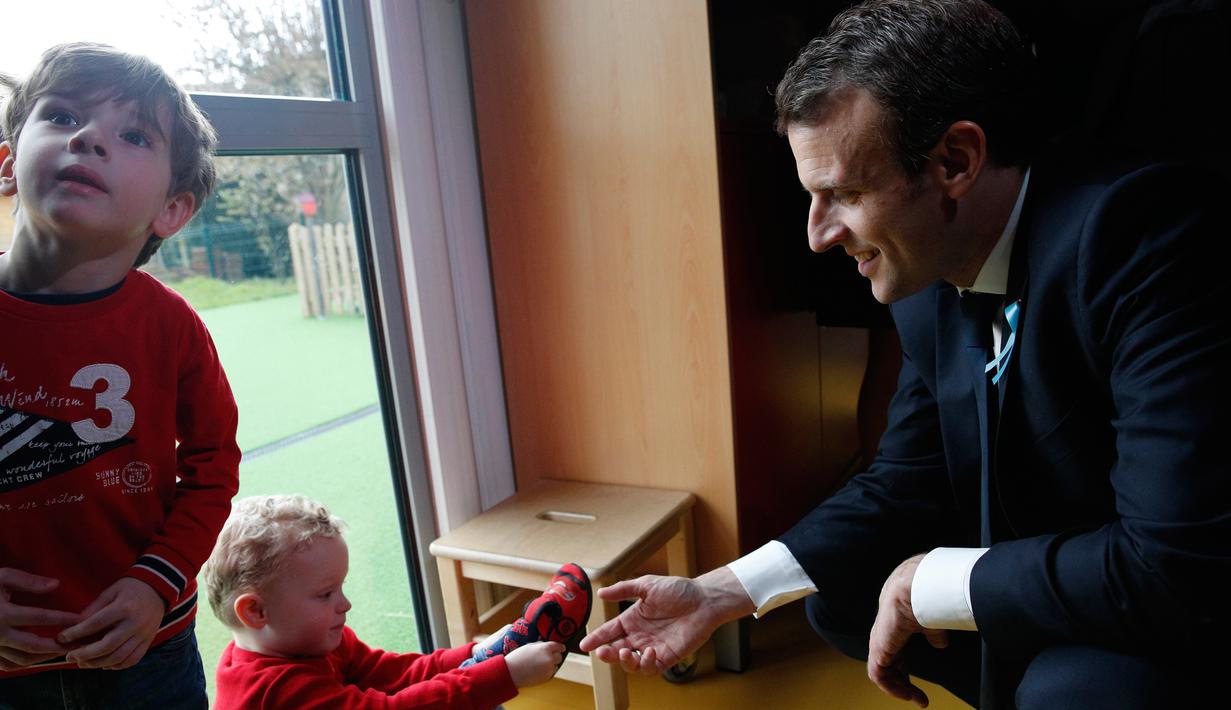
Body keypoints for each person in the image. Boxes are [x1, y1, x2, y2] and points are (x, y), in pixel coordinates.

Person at [580, 1, 1231, 708]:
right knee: (838, 595)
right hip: (1060, 565)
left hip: (1188, 603)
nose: (817, 235)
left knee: (1067, 691)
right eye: (811, 196)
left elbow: (1173, 563)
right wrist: (719, 593)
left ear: (955, 160)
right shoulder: (926, 275)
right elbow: (903, 478)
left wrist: (934, 583)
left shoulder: (1143, 238)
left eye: (844, 193)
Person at [0, 43, 241, 708]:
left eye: (133, 134)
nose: (88, 138)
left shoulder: (173, 328)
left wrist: (153, 584)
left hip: (148, 648)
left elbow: (213, 466)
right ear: (7, 165)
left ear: (171, 210)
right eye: (62, 116)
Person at [205, 495, 591, 709]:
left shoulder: (312, 638)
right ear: (255, 611)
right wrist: (505, 674)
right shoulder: (276, 692)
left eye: (340, 587)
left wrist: (484, 652)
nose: (345, 604)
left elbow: (396, 673)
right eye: (325, 594)